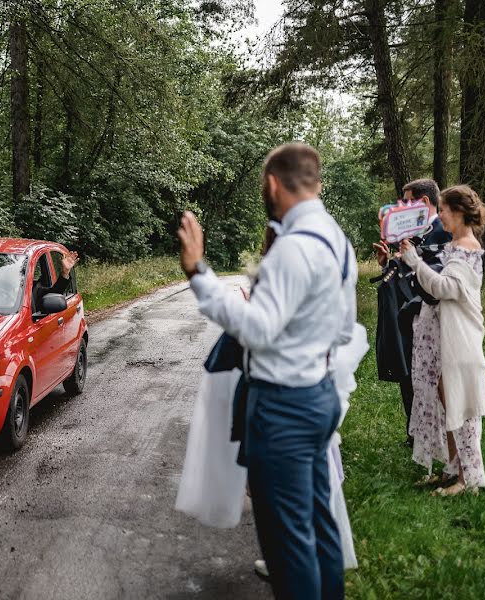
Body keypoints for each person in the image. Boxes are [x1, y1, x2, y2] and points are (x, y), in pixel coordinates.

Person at [179, 143, 357, 600]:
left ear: (273, 184)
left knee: (287, 545)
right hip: (318, 395)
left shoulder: (293, 249)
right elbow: (341, 330)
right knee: (319, 528)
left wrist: (199, 273)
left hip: (283, 408)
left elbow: (257, 330)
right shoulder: (337, 241)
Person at [399, 185, 485, 496]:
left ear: (459, 212)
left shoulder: (467, 248)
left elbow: (443, 288)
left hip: (461, 340)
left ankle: (468, 480)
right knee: (446, 400)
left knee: (461, 406)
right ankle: (453, 468)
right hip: (446, 338)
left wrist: (414, 261)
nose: (439, 216)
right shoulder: (453, 245)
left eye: (443, 210)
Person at [372, 179, 452, 445]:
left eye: (406, 201)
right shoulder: (415, 233)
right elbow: (406, 270)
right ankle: (415, 430)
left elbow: (434, 273)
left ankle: (435, 433)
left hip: (431, 312)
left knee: (429, 374)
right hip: (409, 312)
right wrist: (388, 263)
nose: (402, 207)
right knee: (409, 371)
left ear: (425, 202)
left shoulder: (442, 232)